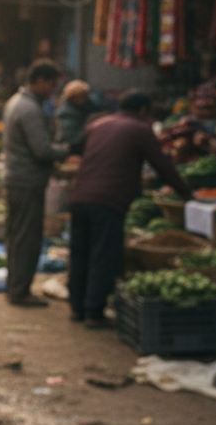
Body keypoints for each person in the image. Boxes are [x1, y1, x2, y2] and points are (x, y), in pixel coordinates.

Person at [67, 92, 192, 327]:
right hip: (109, 200)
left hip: (80, 196)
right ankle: (93, 312)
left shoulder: (96, 124)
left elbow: (78, 151)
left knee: (80, 253)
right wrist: (186, 193)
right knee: (104, 255)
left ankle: (77, 308)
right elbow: (162, 165)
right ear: (144, 110)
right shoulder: (140, 129)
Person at [2, 61, 69, 308]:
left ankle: (15, 286)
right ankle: (20, 291)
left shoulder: (16, 102)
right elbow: (42, 150)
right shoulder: (30, 109)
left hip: (16, 178)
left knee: (17, 236)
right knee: (27, 238)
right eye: (52, 84)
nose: (53, 90)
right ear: (39, 80)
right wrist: (65, 151)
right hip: (26, 181)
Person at [54, 79, 95, 145]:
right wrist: (88, 125)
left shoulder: (85, 108)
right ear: (72, 97)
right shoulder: (65, 114)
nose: (85, 99)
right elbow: (71, 138)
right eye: (82, 96)